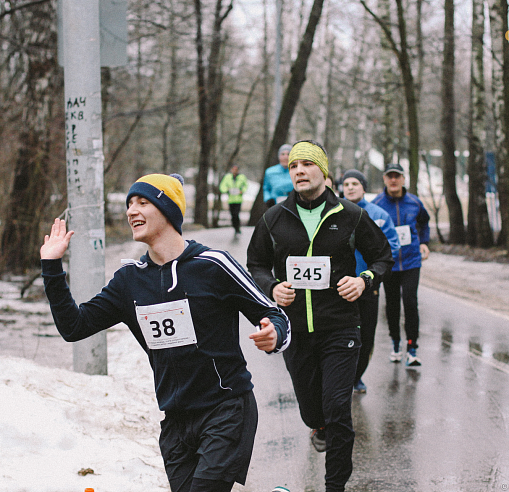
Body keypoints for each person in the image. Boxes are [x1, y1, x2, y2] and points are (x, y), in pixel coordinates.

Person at [40, 173, 291, 492]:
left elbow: (272, 312)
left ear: (169, 209)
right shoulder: (129, 280)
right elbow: (74, 327)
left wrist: (274, 335)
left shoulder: (213, 265)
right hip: (175, 420)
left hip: (226, 409)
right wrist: (51, 267)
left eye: (143, 202)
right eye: (129, 204)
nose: (132, 211)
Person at [247, 141, 393, 492]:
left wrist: (363, 280)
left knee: (338, 409)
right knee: (313, 410)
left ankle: (335, 486)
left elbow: (382, 256)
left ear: (324, 173)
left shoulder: (351, 215)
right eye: (294, 165)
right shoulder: (274, 218)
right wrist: (272, 287)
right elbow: (255, 264)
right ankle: (317, 425)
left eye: (307, 164)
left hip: (340, 327)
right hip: (296, 330)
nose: (298, 170)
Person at [341, 169, 400, 394]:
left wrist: (371, 274)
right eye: (346, 184)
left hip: (367, 286)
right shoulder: (334, 212)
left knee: (366, 335)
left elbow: (391, 248)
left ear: (363, 187)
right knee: (341, 335)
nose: (350, 187)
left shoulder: (379, 215)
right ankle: (341, 377)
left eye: (355, 183)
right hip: (339, 287)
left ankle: (357, 377)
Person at [372, 163, 430, 367]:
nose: (394, 180)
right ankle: (395, 343)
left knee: (411, 302)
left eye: (397, 176)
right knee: (393, 304)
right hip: (389, 263)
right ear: (385, 180)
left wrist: (423, 242)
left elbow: (424, 222)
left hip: (412, 261)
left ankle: (412, 347)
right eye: (390, 177)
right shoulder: (377, 204)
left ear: (403, 179)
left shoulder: (414, 202)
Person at [219, 164, 248, 234]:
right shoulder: (227, 177)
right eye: (233, 169)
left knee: (236, 213)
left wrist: (242, 191)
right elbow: (222, 186)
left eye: (236, 169)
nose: (234, 171)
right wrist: (227, 190)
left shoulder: (242, 177)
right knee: (232, 214)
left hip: (238, 199)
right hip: (231, 199)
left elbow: (246, 185)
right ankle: (235, 226)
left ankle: (237, 227)